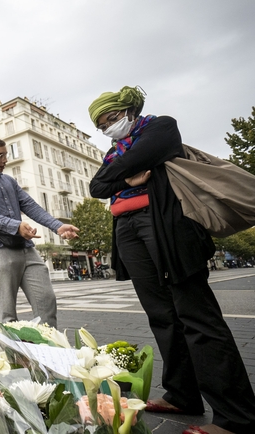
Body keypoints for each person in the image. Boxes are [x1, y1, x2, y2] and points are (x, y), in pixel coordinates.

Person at [88, 85, 255, 434]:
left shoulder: (160, 127)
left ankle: (236, 416)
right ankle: (182, 394)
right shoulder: (112, 153)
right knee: (161, 316)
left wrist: (120, 173)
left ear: (130, 111)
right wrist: (126, 174)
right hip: (127, 228)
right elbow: (96, 187)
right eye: (102, 124)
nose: (109, 127)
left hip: (165, 225)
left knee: (196, 315)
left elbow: (114, 175)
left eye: (113, 118)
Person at [0, 137, 79, 328]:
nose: (5, 160)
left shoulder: (9, 181)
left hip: (24, 246)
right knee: (7, 312)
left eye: (6, 155)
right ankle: (12, 355)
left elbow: (30, 205)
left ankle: (48, 351)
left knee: (46, 301)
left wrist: (57, 226)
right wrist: (15, 225)